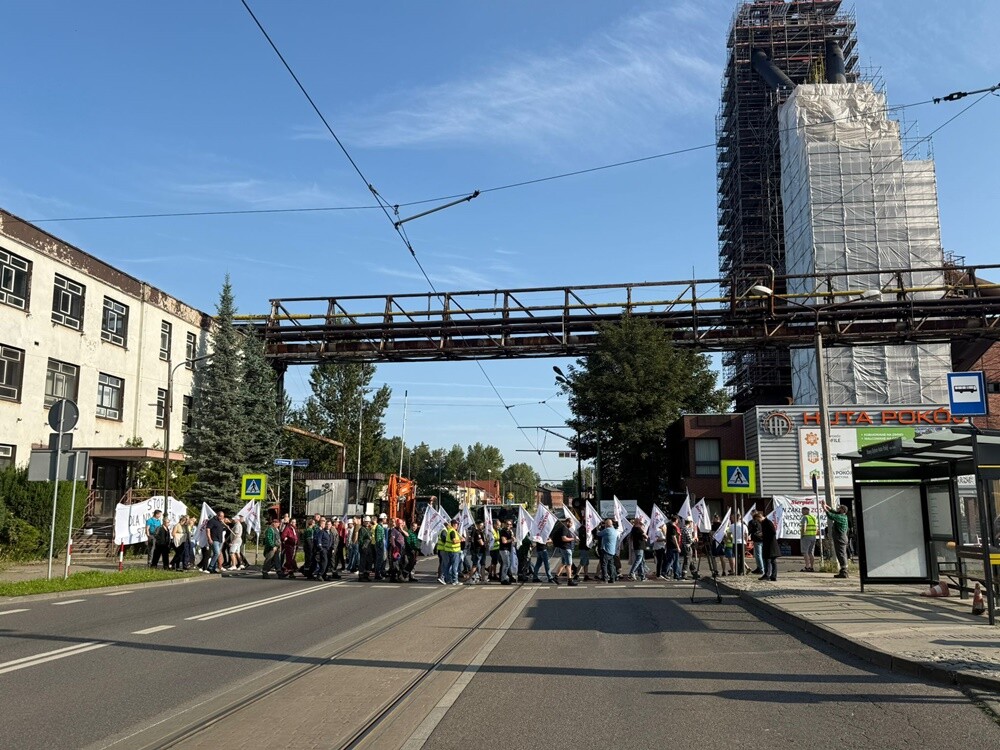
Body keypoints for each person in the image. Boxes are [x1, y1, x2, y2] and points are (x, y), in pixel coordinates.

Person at [824, 503, 851, 578]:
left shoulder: (841, 517)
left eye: (840, 508)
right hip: (841, 538)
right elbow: (834, 512)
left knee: (841, 554)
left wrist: (824, 509)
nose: (838, 509)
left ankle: (844, 571)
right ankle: (843, 570)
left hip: (840, 538)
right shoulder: (842, 516)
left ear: (843, 510)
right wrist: (827, 506)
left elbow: (831, 515)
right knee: (841, 554)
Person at [760, 512, 781, 582]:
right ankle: (768, 574)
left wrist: (764, 535)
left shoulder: (768, 522)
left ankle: (773, 575)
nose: (758, 521)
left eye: (757, 519)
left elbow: (773, 532)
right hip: (767, 544)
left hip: (771, 544)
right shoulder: (764, 523)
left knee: (772, 561)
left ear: (760, 517)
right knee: (767, 560)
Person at [597, 519, 619, 583]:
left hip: (606, 550)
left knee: (604, 565)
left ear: (606, 524)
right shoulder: (615, 531)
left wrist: (598, 528)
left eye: (605, 523)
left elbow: (598, 534)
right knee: (611, 565)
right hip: (612, 551)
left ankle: (605, 578)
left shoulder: (607, 530)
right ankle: (612, 579)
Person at [800, 507, 818, 572]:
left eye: (802, 511)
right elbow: (816, 528)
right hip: (813, 536)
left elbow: (804, 527)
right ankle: (812, 567)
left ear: (806, 510)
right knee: (811, 552)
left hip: (806, 536)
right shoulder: (813, 517)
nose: (802, 512)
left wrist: (802, 535)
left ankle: (807, 566)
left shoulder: (805, 517)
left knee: (805, 552)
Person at [357, 517, 375, 581]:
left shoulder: (368, 529)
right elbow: (360, 539)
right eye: (366, 521)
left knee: (369, 562)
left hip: (369, 547)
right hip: (364, 548)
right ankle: (361, 576)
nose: (367, 523)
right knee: (363, 562)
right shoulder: (362, 529)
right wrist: (362, 547)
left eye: (368, 521)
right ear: (364, 522)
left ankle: (366, 575)